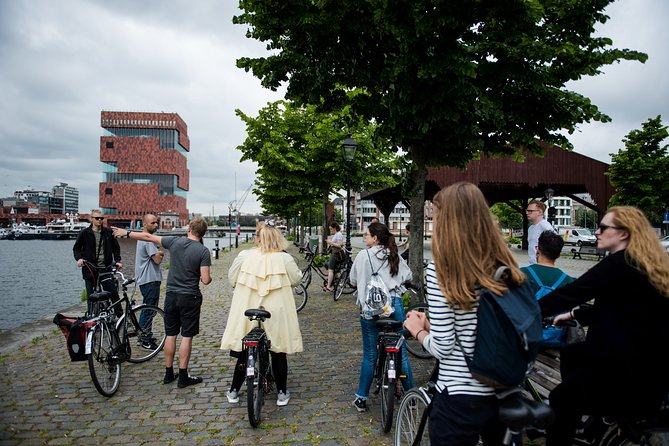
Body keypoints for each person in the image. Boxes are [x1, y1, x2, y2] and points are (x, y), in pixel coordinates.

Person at [404, 182, 524, 445]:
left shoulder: (442, 270)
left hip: (461, 394)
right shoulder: (504, 264)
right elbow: (477, 326)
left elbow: (445, 347)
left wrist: (419, 330)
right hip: (504, 392)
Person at [538, 206, 669, 446]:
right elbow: (626, 305)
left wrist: (523, 311)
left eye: (603, 227)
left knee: (561, 399)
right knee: (572, 353)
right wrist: (577, 314)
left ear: (623, 233)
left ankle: (579, 417)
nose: (597, 232)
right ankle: (594, 418)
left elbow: (572, 292)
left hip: (627, 370)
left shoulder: (621, 263)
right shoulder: (644, 263)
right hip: (649, 366)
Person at [112, 217, 212, 388]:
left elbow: (148, 237)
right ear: (203, 233)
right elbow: (205, 279)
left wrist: (126, 233)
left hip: (171, 295)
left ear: (188, 229)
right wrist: (207, 277)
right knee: (186, 336)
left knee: (170, 334)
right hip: (190, 297)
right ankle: (183, 376)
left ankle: (168, 373)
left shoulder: (174, 242)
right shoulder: (203, 251)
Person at [220, 222, 303, 406]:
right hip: (276, 310)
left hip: (247, 306)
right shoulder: (284, 258)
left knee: (244, 349)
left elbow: (232, 278)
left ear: (257, 238)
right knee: (278, 350)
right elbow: (297, 279)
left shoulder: (244, 255)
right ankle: (281, 393)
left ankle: (233, 391)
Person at [349, 222, 414, 412]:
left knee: (370, 355)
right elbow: (407, 275)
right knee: (401, 354)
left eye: (367, 235)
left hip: (370, 308)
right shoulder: (393, 254)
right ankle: (411, 396)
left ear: (375, 238)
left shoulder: (362, 256)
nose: (364, 238)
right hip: (394, 305)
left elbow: (353, 280)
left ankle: (361, 398)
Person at [73, 209, 122, 311]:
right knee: (91, 296)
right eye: (97, 218)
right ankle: (91, 319)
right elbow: (76, 248)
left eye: (101, 218)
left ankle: (120, 317)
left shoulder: (108, 233)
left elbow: (116, 248)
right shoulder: (85, 233)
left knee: (113, 293)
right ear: (92, 219)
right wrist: (79, 259)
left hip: (105, 268)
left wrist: (117, 260)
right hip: (90, 269)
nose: (100, 220)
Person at [134, 214, 164, 350]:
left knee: (148, 308)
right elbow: (157, 259)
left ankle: (146, 334)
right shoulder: (147, 240)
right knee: (149, 309)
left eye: (156, 223)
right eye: (153, 223)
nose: (156, 225)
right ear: (144, 225)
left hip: (146, 279)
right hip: (150, 279)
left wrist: (158, 253)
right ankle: (144, 338)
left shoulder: (144, 239)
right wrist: (160, 253)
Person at [526, 199, 554, 265]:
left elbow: (555, 243)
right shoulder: (530, 228)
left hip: (542, 265)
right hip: (532, 264)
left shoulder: (544, 225)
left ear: (540, 212)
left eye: (530, 211)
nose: (527, 213)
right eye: (527, 211)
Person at [323, 221, 344, 292]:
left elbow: (340, 245)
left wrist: (330, 242)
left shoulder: (338, 234)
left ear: (335, 228)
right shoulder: (337, 234)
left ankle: (329, 286)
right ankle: (334, 281)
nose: (330, 230)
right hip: (334, 254)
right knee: (329, 266)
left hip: (336, 255)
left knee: (330, 270)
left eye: (331, 229)